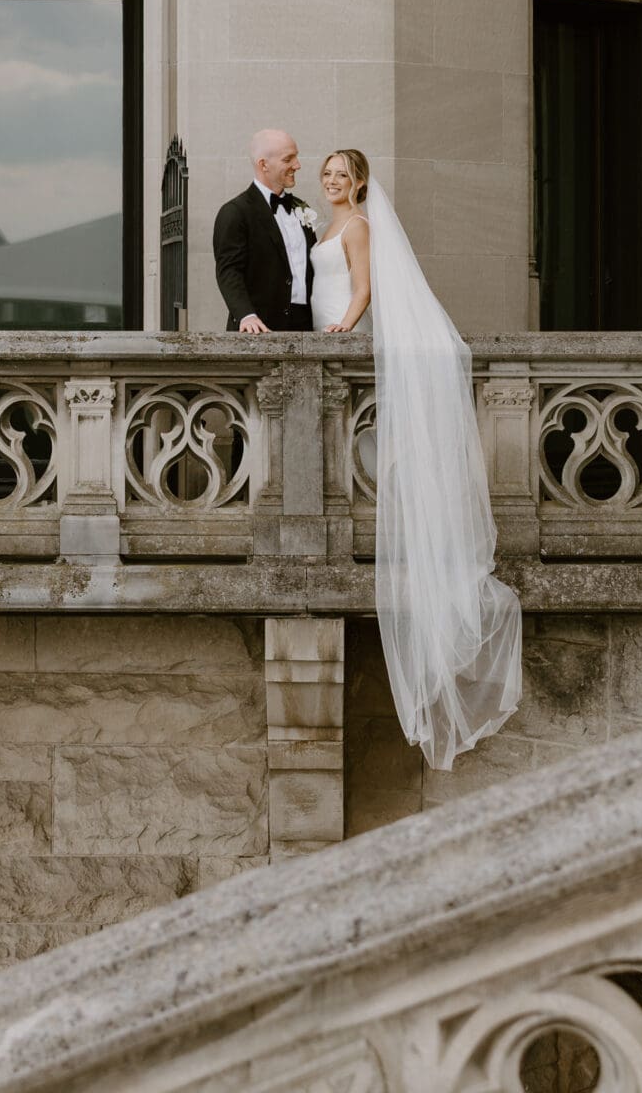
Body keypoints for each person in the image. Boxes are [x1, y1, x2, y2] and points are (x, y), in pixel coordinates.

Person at [311, 146, 523, 772]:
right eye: (326, 175)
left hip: (337, 332)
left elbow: (366, 287)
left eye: (340, 176)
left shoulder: (360, 226)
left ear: (359, 183)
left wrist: (345, 328)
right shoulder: (324, 222)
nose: (331, 183)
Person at [212, 130, 321, 333]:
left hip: (306, 327)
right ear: (264, 165)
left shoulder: (301, 209)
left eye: (296, 157)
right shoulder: (235, 212)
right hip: (259, 328)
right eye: (288, 159)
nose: (297, 165)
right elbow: (228, 271)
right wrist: (246, 315)